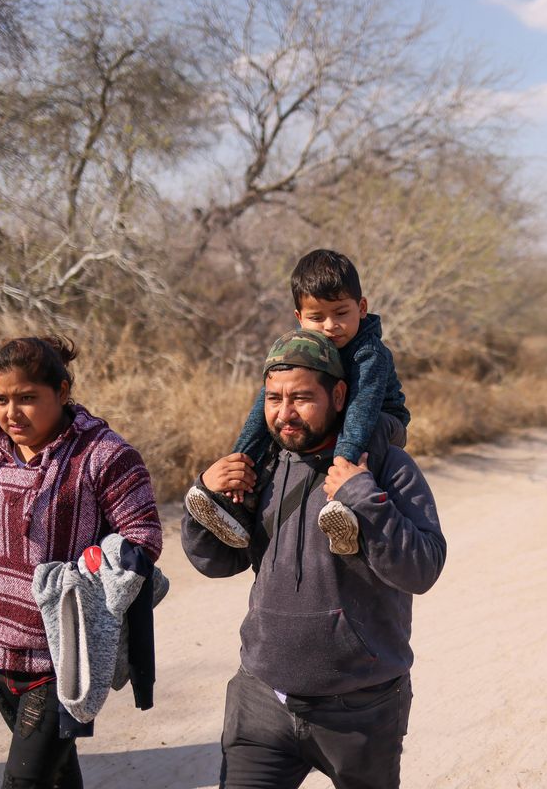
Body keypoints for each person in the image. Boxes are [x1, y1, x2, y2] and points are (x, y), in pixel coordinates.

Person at [182, 329, 446, 789]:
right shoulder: (261, 466)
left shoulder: (386, 467)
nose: (284, 413)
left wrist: (363, 495)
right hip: (261, 700)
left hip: (361, 711)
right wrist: (207, 495)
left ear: (339, 395)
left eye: (301, 398)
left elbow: (422, 568)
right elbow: (218, 562)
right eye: (273, 398)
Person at [0, 337, 163, 789]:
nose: (12, 413)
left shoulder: (104, 455)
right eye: (1, 400)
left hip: (64, 655)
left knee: (23, 781)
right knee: (58, 776)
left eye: (27, 398)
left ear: (62, 392)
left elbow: (142, 540)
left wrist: (78, 575)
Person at [185, 249, 410, 556]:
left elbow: (360, 410)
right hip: (333, 415)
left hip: (381, 420)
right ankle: (238, 506)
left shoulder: (368, 352)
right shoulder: (299, 350)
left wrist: (342, 465)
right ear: (299, 318)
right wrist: (240, 459)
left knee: (373, 428)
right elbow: (262, 409)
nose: (331, 326)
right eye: (317, 318)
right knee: (281, 425)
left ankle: (345, 510)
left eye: (341, 313)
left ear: (362, 307)